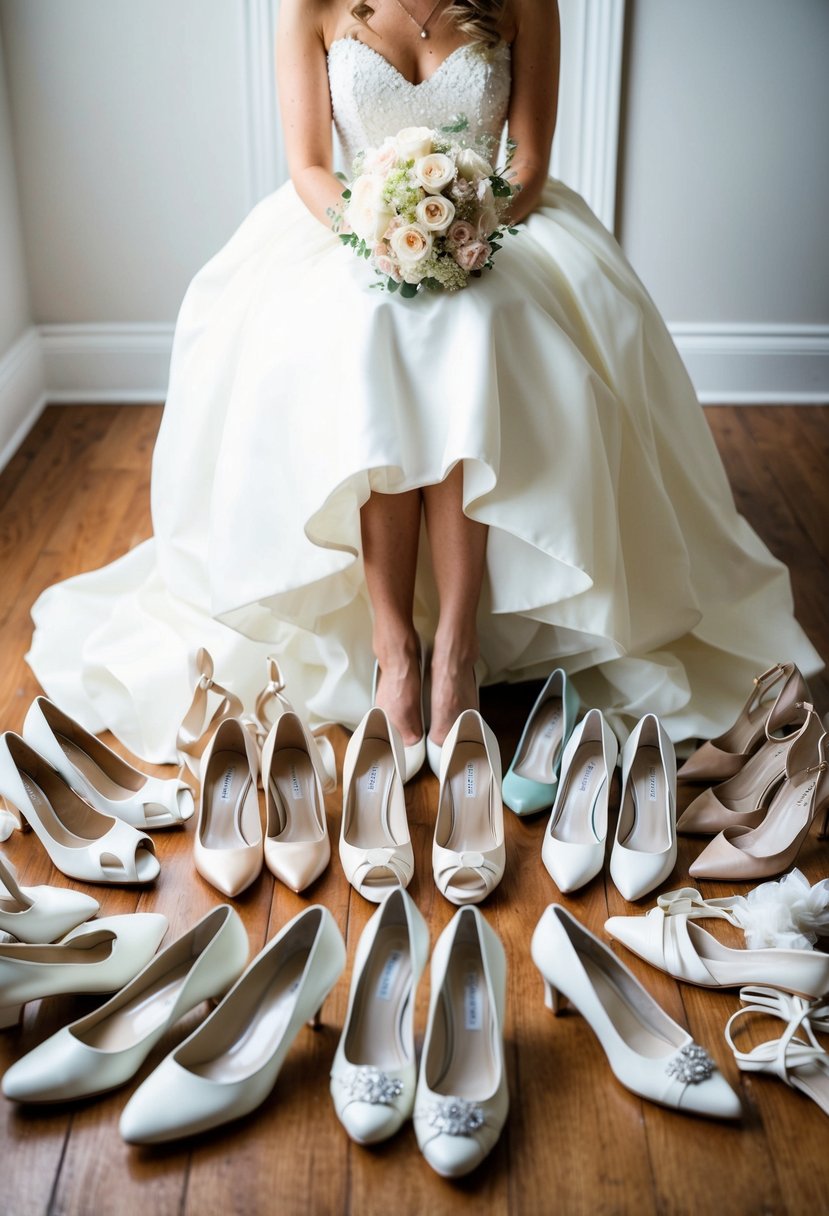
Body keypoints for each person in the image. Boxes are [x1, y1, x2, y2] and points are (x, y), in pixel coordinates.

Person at [26, 0, 820, 766]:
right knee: (377, 333)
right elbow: (308, 165)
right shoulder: (311, 4)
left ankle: (458, 653)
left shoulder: (522, 3)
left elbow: (530, 163)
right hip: (352, 229)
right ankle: (393, 648)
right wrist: (378, 238)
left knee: (469, 335)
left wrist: (464, 228)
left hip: (496, 228)